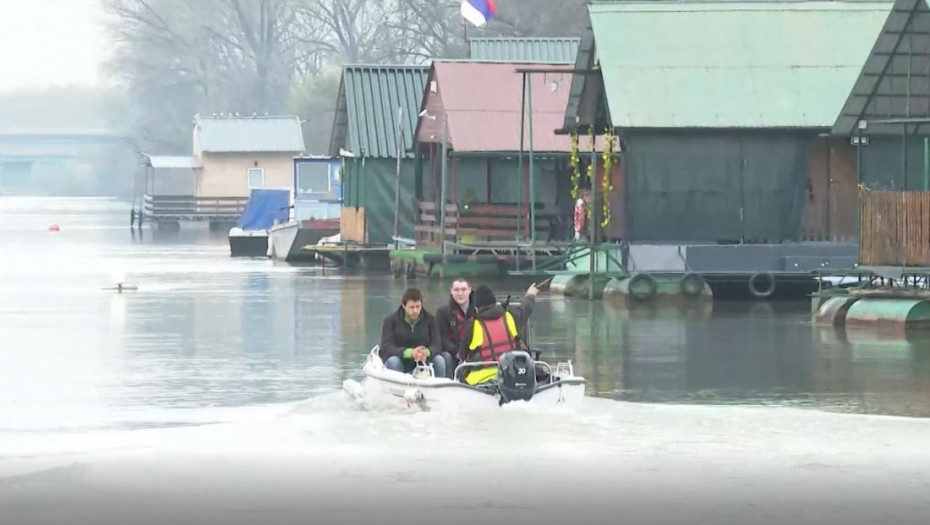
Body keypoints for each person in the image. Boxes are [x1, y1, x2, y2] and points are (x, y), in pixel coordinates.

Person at [456, 282, 539, 386]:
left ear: (476, 308)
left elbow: (462, 355)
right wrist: (531, 294)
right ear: (495, 303)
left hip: (480, 380)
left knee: (460, 371)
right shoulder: (510, 317)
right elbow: (525, 309)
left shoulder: (472, 326)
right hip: (512, 375)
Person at [379, 287, 450, 378]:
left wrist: (426, 352)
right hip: (400, 359)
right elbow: (387, 346)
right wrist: (410, 353)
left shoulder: (430, 320)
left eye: (418, 306)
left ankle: (438, 388)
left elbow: (437, 344)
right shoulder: (391, 320)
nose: (415, 311)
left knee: (439, 360)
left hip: (423, 360)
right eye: (411, 307)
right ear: (403, 306)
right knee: (394, 361)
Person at [434, 277, 475, 377]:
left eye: (463, 289)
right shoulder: (442, 312)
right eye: (456, 290)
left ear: (469, 290)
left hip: (473, 351)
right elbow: (441, 338)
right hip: (452, 352)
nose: (460, 293)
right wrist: (457, 352)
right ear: (451, 291)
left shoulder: (477, 311)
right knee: (446, 357)